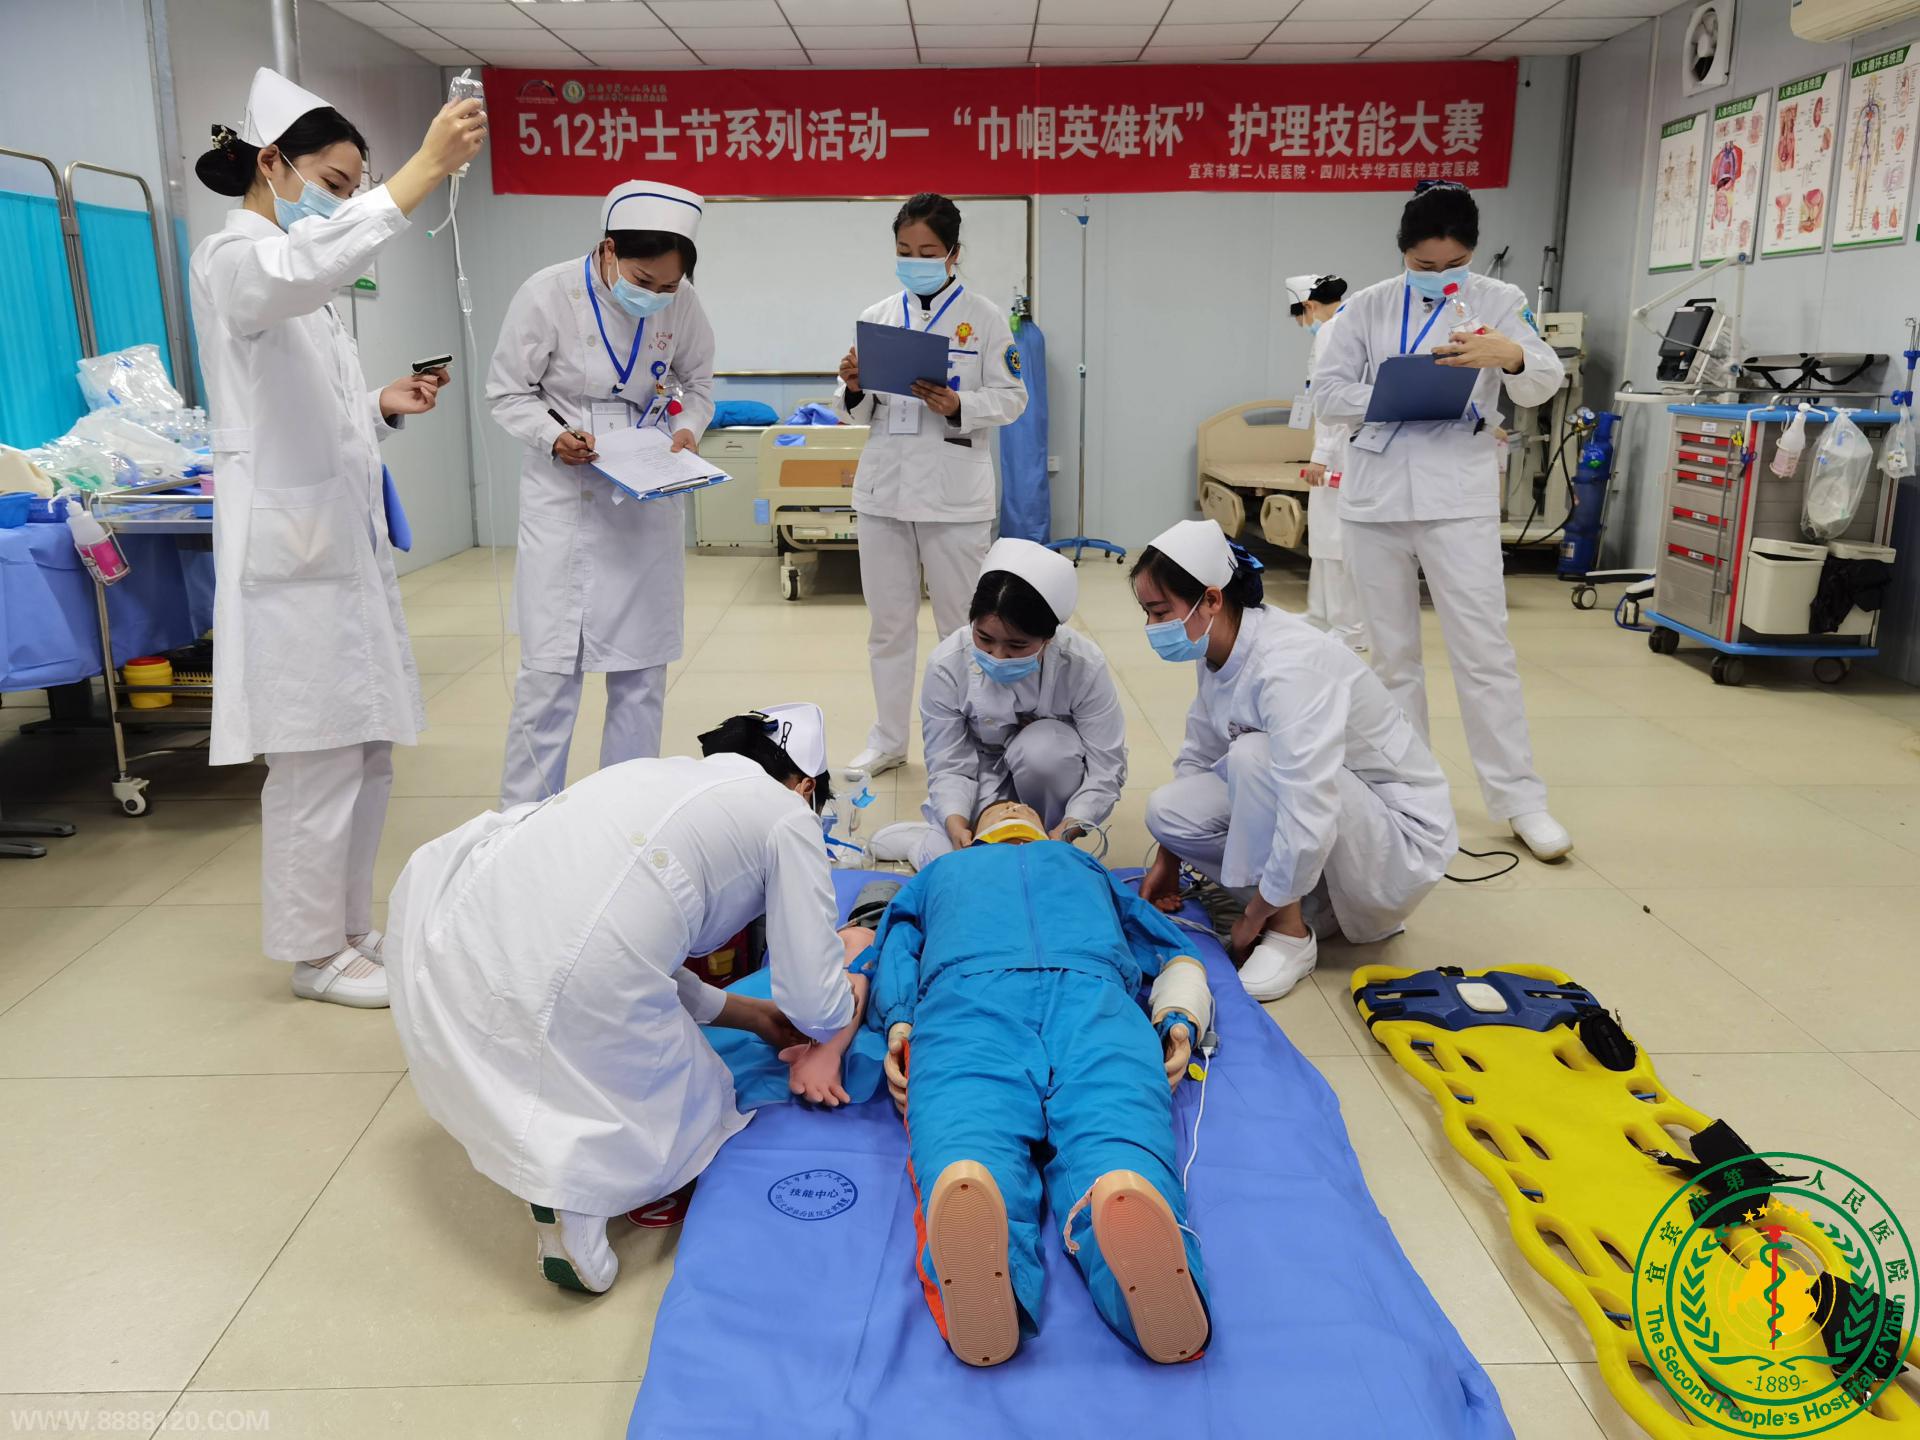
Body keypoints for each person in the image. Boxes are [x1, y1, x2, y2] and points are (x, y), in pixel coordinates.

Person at [386, 704, 870, 1295]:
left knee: (553, 1016)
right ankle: (575, 1196)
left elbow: (629, 936)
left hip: (464, 934)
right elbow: (812, 1000)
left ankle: (539, 1141)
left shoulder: (654, 772)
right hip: (576, 968)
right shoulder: (788, 816)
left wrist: (750, 1015)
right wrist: (848, 996)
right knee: (692, 1109)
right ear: (806, 785)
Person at [189, 68, 485, 1008]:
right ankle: (313, 951)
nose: (342, 200)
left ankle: (351, 928)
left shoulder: (296, 277)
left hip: (333, 554)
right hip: (293, 566)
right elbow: (302, 269)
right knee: (316, 760)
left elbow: (311, 416)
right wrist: (420, 173)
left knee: (365, 753)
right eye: (334, 181)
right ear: (272, 163)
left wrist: (379, 405)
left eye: (356, 186)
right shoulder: (236, 260)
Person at [857, 803, 1213, 1368]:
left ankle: (1135, 1244)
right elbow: (896, 944)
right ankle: (985, 1259)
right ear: (970, 834)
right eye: (998, 806)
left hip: (1092, 996)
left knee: (1120, 1133)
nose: (1011, 804)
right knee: (965, 1141)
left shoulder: (1084, 866)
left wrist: (1179, 1016)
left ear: (1049, 830)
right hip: (968, 999)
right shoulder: (939, 872)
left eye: (1020, 804)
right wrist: (900, 1019)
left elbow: (1170, 947)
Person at [1311, 181, 1572, 862]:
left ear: (1472, 253)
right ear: (1403, 252)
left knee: (1484, 652)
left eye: (1453, 263)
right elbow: (1328, 394)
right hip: (1376, 497)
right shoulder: (1366, 307)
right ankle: (1410, 793)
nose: (1438, 275)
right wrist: (1394, 391)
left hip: (1457, 497)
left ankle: (1519, 800)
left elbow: (1544, 379)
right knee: (1392, 657)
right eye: (1423, 265)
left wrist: (1510, 356)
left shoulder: (1501, 301)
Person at [1134, 520, 1457, 1002]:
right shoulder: (1219, 648)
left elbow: (1309, 804)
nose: (1152, 628)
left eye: (1160, 612)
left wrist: (1251, 918)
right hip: (1334, 818)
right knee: (1168, 811)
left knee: (1253, 756)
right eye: (1147, 613)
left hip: (1396, 836)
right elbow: (1199, 751)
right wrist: (1169, 857)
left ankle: (1290, 933)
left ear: (1212, 599)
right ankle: (1306, 904)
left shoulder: (1289, 664)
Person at [487, 179, 715, 807]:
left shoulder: (682, 302)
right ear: (609, 249)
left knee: (640, 678)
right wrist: (553, 436)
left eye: (669, 286)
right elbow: (508, 392)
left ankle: (625, 816)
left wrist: (689, 429)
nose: (656, 296)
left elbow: (698, 383)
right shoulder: (547, 293)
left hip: (645, 499)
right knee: (550, 677)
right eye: (644, 279)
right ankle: (523, 822)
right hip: (565, 496)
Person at [834, 194, 1029, 777]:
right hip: (885, 491)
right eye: (904, 250)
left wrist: (958, 404)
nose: (914, 261)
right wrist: (853, 387)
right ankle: (889, 739)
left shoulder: (984, 318)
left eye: (927, 251)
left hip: (953, 495)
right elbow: (854, 410)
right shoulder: (877, 316)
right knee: (888, 627)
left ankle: (974, 740)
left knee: (964, 629)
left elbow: (1013, 398)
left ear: (953, 253)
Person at [868, 537, 1127, 870]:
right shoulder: (948, 664)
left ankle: (1044, 839)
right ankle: (925, 839)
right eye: (984, 639)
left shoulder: (1082, 665)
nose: (998, 656)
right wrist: (956, 823)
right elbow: (949, 763)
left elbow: (1106, 768)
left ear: (1048, 638)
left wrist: (1066, 830)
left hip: (1047, 770)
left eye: (1017, 646)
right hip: (979, 771)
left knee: (1046, 752)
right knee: (953, 861)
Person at [1286, 272, 1368, 653]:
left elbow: (1336, 402)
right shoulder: (1340, 327)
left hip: (1342, 452)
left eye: (1300, 316)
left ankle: (1350, 628)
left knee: (1337, 542)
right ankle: (1320, 614)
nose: (1302, 324)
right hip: (1332, 447)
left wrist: (1320, 456)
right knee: (1322, 536)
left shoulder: (1334, 331)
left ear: (1308, 306)